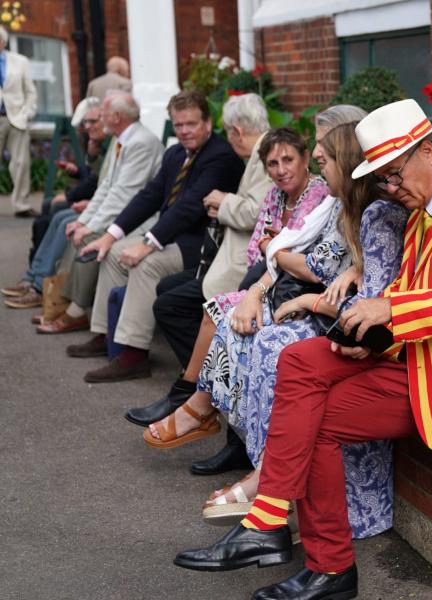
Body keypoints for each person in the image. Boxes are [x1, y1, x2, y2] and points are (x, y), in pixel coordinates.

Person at [173, 99, 432, 600]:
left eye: (393, 174)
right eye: (380, 179)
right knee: (298, 360)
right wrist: (374, 333)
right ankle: (277, 522)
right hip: (424, 358)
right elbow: (415, 295)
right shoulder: (423, 211)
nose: (389, 188)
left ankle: (322, 562)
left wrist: (390, 313)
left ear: (428, 151)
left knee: (313, 415)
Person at [148, 123, 407, 538]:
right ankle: (255, 462)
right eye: (274, 163)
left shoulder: (374, 213)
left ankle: (267, 478)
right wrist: (271, 279)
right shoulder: (345, 209)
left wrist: (303, 292)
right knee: (242, 330)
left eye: (322, 162)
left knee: (271, 345)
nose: (320, 174)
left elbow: (366, 303)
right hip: (327, 312)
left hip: (354, 330)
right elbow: (306, 264)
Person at [125, 105, 368, 481]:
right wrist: (262, 280)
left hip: (316, 302)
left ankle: (224, 430)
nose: (284, 168)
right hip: (281, 284)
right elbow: (264, 248)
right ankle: (212, 418)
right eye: (272, 163)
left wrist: (280, 259)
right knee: (217, 312)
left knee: (242, 329)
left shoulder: (330, 197)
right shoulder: (309, 199)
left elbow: (308, 261)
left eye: (319, 150)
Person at [73, 90, 244, 382]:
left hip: (202, 243)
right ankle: (107, 335)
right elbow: (149, 196)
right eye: (178, 125)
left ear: (207, 122)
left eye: (191, 124)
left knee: (146, 263)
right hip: (173, 236)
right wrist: (111, 235)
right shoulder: (175, 154)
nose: (184, 131)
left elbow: (190, 207)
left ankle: (134, 353)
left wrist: (148, 244)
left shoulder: (221, 156)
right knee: (113, 253)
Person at [36, 92, 163, 335]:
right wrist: (84, 221)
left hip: (142, 219)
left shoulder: (140, 142)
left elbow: (123, 195)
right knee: (76, 230)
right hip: (126, 213)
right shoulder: (123, 138)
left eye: (103, 112)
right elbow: (107, 187)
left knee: (88, 240)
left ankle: (77, 311)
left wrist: (90, 227)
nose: (98, 118)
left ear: (117, 116)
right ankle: (64, 302)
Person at [1, 98, 107, 310]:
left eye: (93, 121)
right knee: (53, 212)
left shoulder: (119, 144)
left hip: (107, 210)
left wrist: (78, 200)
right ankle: (33, 278)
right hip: (99, 202)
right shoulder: (102, 144)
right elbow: (97, 178)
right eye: (86, 123)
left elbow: (105, 185)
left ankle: (39, 286)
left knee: (61, 217)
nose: (88, 127)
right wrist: (82, 166)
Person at [0, 25, 38, 218]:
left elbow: (30, 91)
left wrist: (28, 113)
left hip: (16, 117)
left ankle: (22, 205)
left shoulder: (20, 61)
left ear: (3, 42)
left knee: (21, 163)